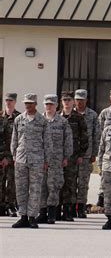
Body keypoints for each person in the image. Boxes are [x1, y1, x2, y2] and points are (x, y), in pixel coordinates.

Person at [11, 93, 53, 228]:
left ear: (35, 104)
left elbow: (47, 142)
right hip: (21, 159)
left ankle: (32, 217)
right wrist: (14, 156)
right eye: (26, 103)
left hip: (37, 159)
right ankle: (23, 216)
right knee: (21, 189)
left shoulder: (42, 120)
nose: (28, 105)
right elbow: (14, 139)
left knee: (35, 189)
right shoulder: (18, 119)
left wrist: (47, 160)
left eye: (30, 103)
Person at [37, 95, 73, 224]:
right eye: (47, 104)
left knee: (53, 186)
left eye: (51, 104)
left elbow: (68, 140)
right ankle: (42, 212)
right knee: (41, 186)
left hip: (56, 160)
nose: (49, 106)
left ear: (56, 105)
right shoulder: (38, 120)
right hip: (40, 159)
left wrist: (66, 157)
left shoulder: (62, 122)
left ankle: (52, 213)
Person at [58, 91, 88, 221]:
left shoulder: (79, 117)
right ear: (61, 102)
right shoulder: (57, 117)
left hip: (73, 156)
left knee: (70, 184)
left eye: (69, 100)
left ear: (73, 102)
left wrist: (81, 154)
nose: (67, 102)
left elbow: (84, 138)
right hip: (57, 157)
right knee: (57, 183)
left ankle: (68, 211)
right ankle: (56, 210)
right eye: (64, 100)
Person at [74, 89, 100, 218]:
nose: (79, 102)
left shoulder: (93, 115)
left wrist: (94, 153)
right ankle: (71, 207)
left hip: (86, 155)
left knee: (83, 183)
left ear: (86, 100)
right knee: (71, 183)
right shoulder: (69, 114)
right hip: (72, 155)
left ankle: (81, 207)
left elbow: (96, 135)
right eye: (77, 99)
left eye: (82, 99)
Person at [1, 93, 21, 217]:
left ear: (15, 102)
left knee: (12, 182)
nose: (8, 102)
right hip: (1, 156)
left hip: (14, 156)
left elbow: (21, 138)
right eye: (7, 100)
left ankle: (11, 205)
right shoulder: (0, 117)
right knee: (1, 182)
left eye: (11, 100)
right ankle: (1, 206)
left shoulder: (19, 117)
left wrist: (13, 157)